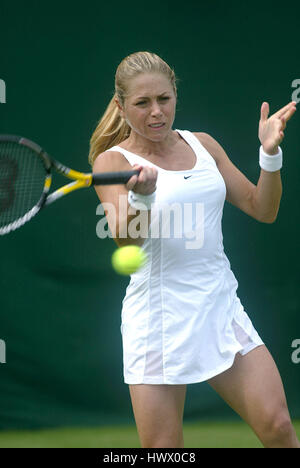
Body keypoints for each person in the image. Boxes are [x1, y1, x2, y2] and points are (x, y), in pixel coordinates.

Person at [89, 51, 299, 448]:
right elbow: (124, 237)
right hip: (156, 321)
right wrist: (146, 198)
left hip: (219, 307)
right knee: (165, 451)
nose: (156, 112)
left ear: (175, 96)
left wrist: (270, 154)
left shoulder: (203, 145)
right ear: (121, 106)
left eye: (164, 99)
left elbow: (263, 208)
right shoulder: (112, 161)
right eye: (142, 103)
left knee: (278, 427)